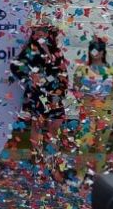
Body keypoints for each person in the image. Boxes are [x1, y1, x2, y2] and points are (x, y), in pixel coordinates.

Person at [9, 25, 69, 174]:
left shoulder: (55, 50)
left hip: (54, 93)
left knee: (56, 123)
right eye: (37, 30)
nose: (40, 33)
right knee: (37, 125)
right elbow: (15, 67)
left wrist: (62, 89)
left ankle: (52, 159)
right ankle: (37, 159)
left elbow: (63, 71)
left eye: (44, 30)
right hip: (37, 93)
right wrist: (29, 77)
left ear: (49, 33)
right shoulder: (30, 49)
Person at [72, 36, 113, 181]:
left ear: (103, 51)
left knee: (101, 145)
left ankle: (100, 177)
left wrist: (105, 103)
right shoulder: (81, 69)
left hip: (105, 111)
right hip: (88, 111)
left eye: (99, 49)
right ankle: (80, 176)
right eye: (93, 49)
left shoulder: (112, 71)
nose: (96, 52)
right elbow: (76, 87)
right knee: (84, 144)